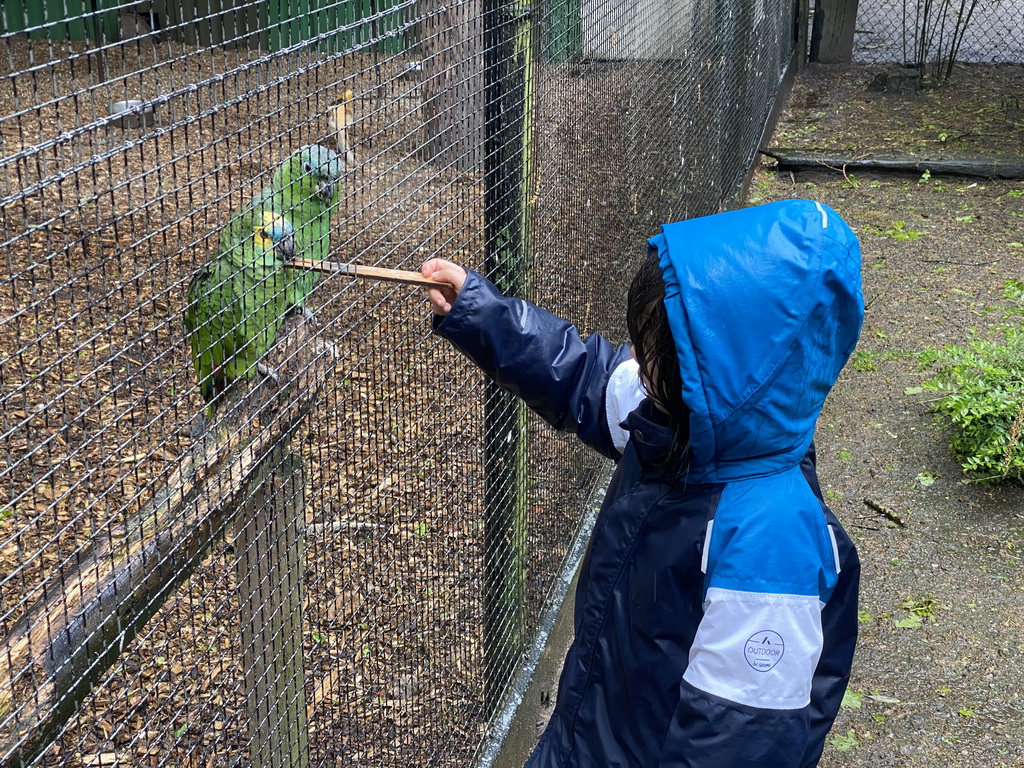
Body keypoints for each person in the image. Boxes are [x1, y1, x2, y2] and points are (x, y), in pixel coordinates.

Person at [421, 199, 864, 767]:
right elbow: (585, 373)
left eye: (655, 357)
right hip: (588, 736)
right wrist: (484, 315)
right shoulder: (683, 410)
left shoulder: (770, 549)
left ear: (717, 371)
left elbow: (735, 748)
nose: (638, 367)